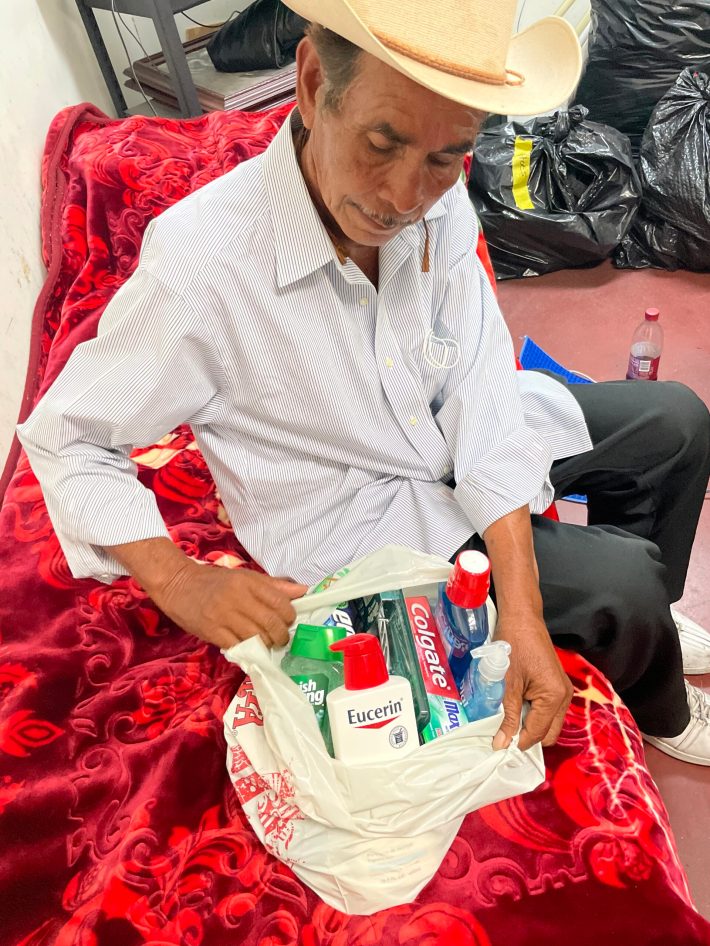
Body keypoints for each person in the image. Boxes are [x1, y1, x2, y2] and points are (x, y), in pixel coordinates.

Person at [17, 0, 710, 765]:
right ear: (313, 84)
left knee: (676, 422)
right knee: (624, 584)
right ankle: (660, 704)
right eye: (382, 143)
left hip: (443, 438)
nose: (406, 195)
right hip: (359, 519)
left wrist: (521, 600)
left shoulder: (440, 208)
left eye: (446, 158)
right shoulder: (202, 265)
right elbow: (67, 438)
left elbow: (481, 388)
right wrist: (180, 581)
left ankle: (648, 625)